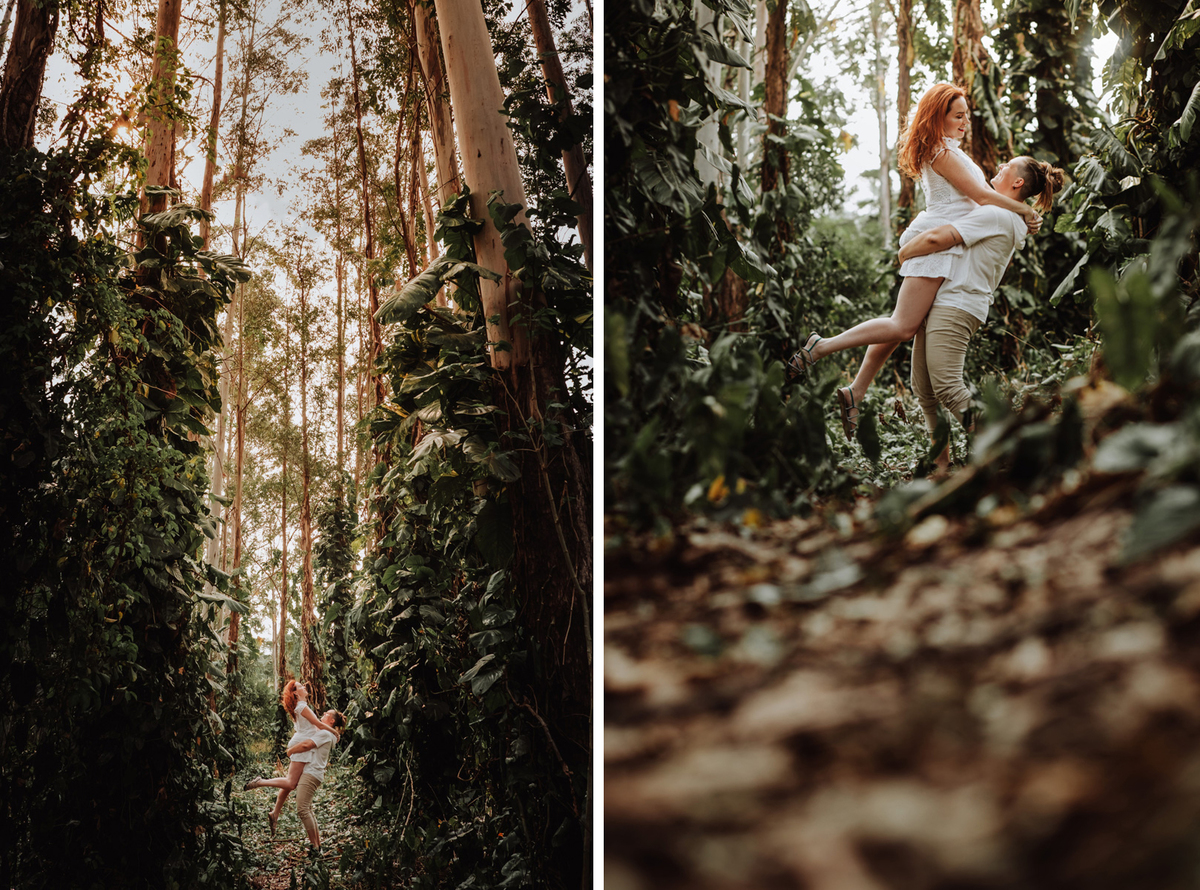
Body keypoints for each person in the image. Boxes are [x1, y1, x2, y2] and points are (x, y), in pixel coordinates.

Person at [787, 83, 1042, 437]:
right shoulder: (942, 152)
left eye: (967, 114)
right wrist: (1024, 209)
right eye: (958, 115)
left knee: (904, 323)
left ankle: (856, 389)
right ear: (939, 116)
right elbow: (982, 195)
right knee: (903, 325)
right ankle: (822, 347)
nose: (966, 121)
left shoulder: (947, 149)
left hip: (945, 243)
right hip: (935, 241)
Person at [896, 155, 1065, 465]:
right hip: (948, 300)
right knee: (924, 389)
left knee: (947, 386)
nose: (999, 166)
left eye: (1006, 167)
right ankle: (941, 464)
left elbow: (940, 237)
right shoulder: (1007, 216)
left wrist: (905, 251)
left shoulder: (996, 215)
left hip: (957, 303)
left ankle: (1010, 451)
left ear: (1017, 182)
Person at [242, 680, 340, 836]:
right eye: (300, 686)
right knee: (290, 783)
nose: (304, 687)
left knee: (289, 782)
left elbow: (314, 726)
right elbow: (318, 724)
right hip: (301, 744)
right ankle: (260, 782)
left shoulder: (301, 706)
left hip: (300, 740)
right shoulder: (301, 706)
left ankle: (275, 814)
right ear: (295, 693)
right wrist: (335, 732)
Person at [281, 708, 344, 855]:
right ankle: (317, 845)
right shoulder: (328, 733)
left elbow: (306, 745)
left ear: (332, 721)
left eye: (325, 714)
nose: (322, 715)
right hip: (314, 773)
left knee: (302, 809)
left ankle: (315, 847)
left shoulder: (324, 734)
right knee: (307, 809)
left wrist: (290, 751)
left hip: (311, 773)